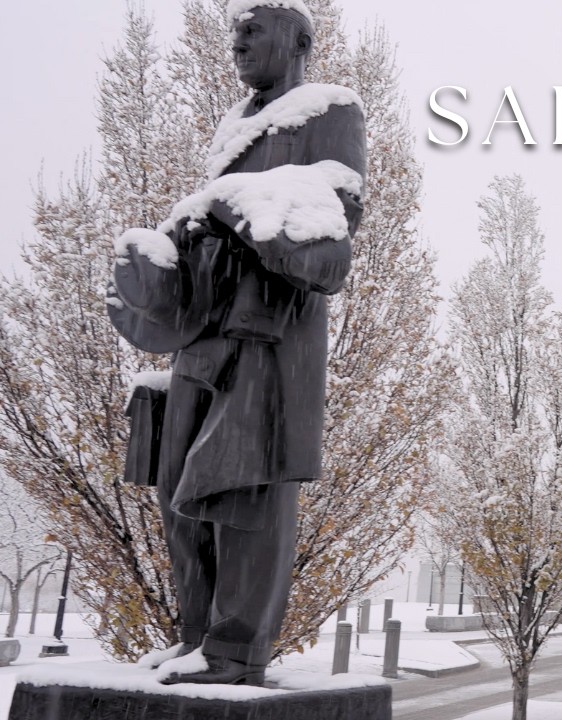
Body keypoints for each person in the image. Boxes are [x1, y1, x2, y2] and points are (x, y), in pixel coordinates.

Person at [109, 0, 366, 686]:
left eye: (254, 30)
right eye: (234, 32)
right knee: (177, 489)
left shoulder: (328, 109)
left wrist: (236, 206)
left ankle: (236, 646)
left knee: (243, 486)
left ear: (299, 40)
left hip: (268, 333)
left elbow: (335, 215)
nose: (239, 41)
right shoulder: (233, 126)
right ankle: (196, 634)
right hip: (203, 328)